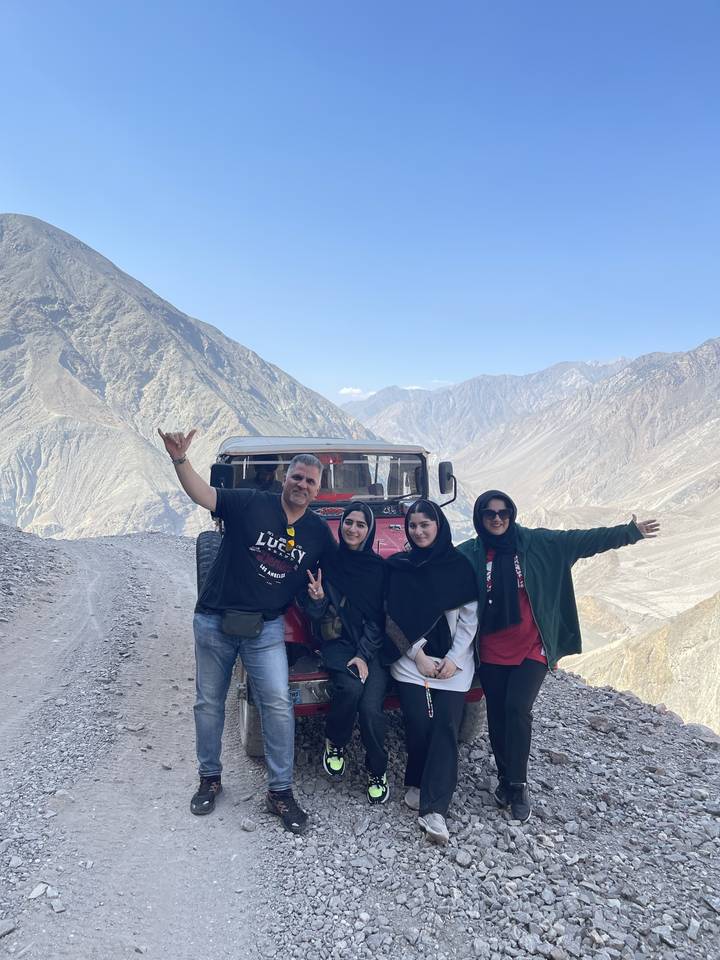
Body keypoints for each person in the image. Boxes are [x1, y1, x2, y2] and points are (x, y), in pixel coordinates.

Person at [157, 428, 336, 834]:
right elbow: (204, 495)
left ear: (318, 489)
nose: (302, 485)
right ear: (284, 479)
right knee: (209, 703)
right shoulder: (249, 504)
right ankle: (209, 778)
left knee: (276, 702)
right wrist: (180, 460)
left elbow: (342, 575)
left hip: (266, 628)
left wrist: (323, 597)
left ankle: (280, 791)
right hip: (215, 621)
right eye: (297, 478)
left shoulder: (318, 534)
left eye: (310, 481)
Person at [457, 490, 660, 824]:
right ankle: (505, 780)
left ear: (512, 513)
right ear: (480, 518)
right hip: (492, 649)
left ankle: (519, 785)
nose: (497, 519)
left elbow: (583, 540)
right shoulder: (472, 553)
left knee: (517, 709)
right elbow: (437, 566)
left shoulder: (539, 544)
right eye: (489, 514)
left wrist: (629, 532)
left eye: (503, 512)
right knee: (496, 714)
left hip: (531, 645)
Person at [383, 499, 478, 845]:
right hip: (412, 662)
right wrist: (418, 654)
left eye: (426, 524)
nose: (419, 531)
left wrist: (453, 658)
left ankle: (435, 809)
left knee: (446, 726)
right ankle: (417, 780)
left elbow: (469, 619)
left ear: (439, 526)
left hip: (455, 663)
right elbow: (390, 616)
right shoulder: (399, 567)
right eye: (413, 525)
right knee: (419, 722)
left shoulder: (459, 567)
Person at [300, 502, 390, 804]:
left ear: (369, 530)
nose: (353, 529)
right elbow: (315, 615)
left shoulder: (378, 569)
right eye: (349, 522)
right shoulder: (328, 564)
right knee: (350, 688)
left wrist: (364, 654)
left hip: (371, 648)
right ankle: (336, 741)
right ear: (341, 526)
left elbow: (379, 620)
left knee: (371, 709)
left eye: (360, 524)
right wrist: (317, 599)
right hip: (337, 643)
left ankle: (377, 770)